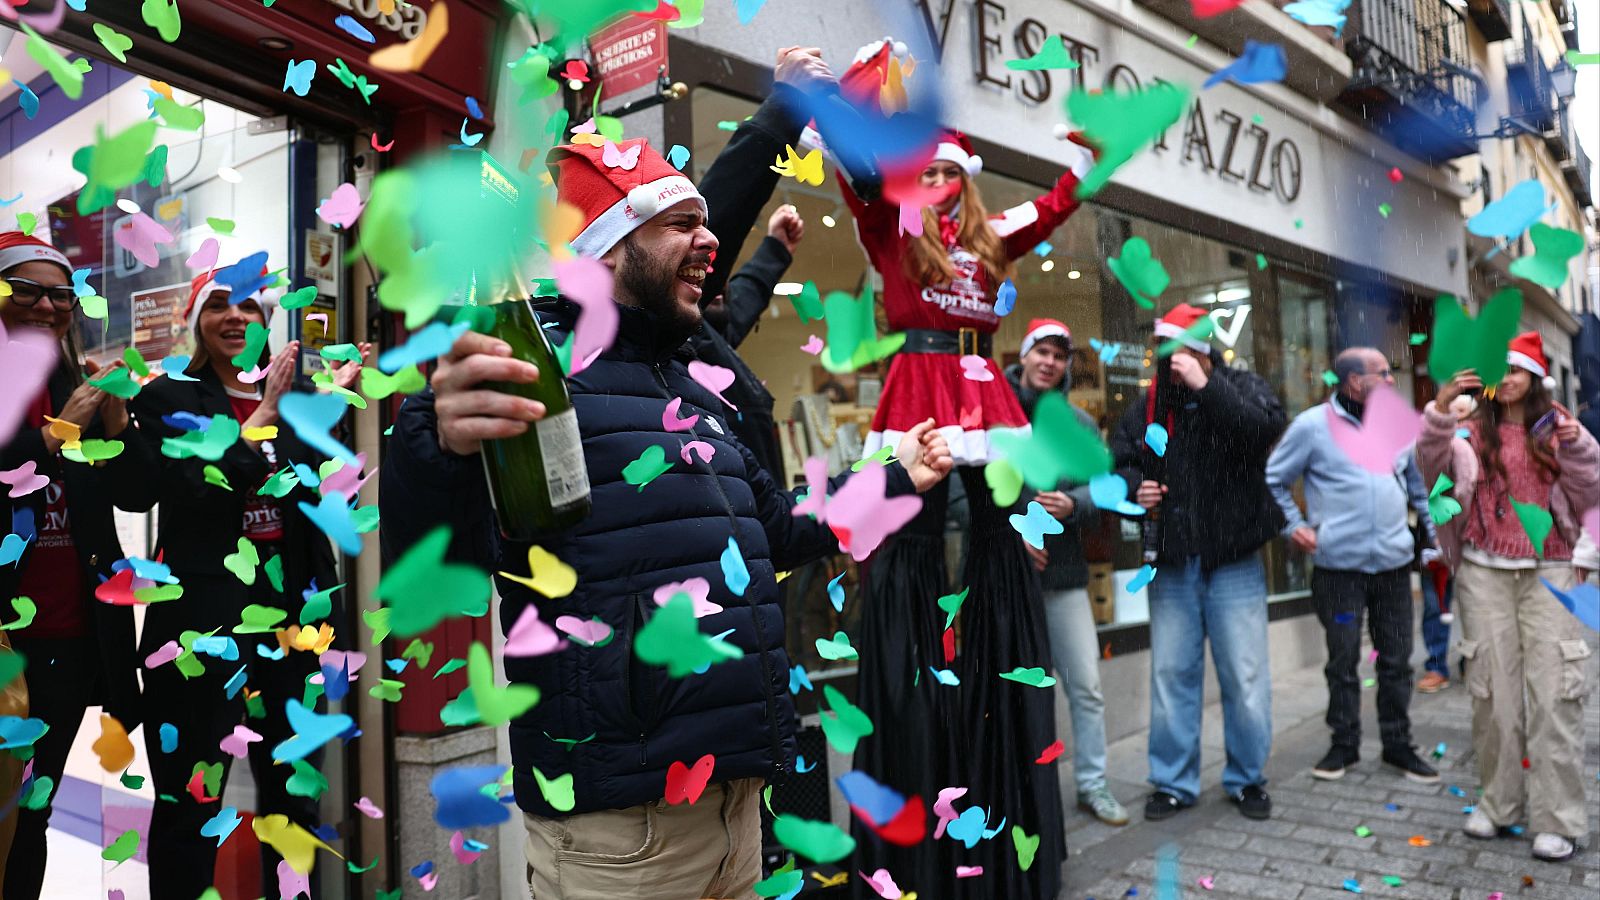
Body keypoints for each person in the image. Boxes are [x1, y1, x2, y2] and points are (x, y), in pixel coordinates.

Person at [378, 137, 954, 899]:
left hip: (737, 808)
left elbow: (777, 527)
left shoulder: (696, 391)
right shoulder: (529, 376)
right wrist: (439, 445)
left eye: (704, 222)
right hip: (626, 837)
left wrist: (891, 479)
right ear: (609, 249)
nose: (709, 238)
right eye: (679, 222)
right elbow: (431, 570)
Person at [832, 38, 1094, 897]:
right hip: (918, 387)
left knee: (996, 553)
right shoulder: (896, 229)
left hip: (986, 396)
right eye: (929, 174)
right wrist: (865, 88)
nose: (939, 185)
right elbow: (860, 176)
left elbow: (1055, 207)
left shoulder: (992, 239)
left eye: (950, 173)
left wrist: (1081, 159)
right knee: (909, 550)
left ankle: (993, 766)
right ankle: (922, 775)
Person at [128, 268, 368, 898]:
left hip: (293, 618)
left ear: (266, 319)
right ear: (195, 321)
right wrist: (257, 420)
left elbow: (313, 490)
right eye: (217, 307)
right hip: (201, 623)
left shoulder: (298, 393)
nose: (235, 318)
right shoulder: (167, 399)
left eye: (249, 308)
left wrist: (329, 410)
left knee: (295, 797)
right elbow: (188, 486)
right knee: (190, 804)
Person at [0, 232, 157, 900]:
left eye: (59, 293)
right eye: (24, 289)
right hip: (4, 640)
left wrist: (120, 429)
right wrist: (55, 433)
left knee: (31, 814)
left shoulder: (77, 385)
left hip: (66, 641)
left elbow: (135, 494)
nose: (44, 304)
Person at [1419, 331, 1599, 863]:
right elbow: (1428, 466)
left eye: (1518, 369)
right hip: (1483, 572)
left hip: (1552, 571)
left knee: (1554, 696)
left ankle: (1558, 818)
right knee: (1492, 695)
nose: (1509, 379)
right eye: (1501, 370)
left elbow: (1592, 492)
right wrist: (1440, 407)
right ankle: (1499, 805)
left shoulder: (1559, 429)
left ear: (1536, 376)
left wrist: (1580, 446)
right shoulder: (1469, 431)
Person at [1110, 303, 1287, 821]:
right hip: (1172, 560)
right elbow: (1117, 463)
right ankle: (1172, 782)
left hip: (1233, 560)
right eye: (1165, 349)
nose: (1171, 359)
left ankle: (1247, 779)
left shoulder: (1241, 386)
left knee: (1246, 677)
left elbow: (1259, 434)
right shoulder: (1147, 405)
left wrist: (1208, 388)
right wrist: (1130, 488)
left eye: (1182, 347)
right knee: (1172, 676)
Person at [1265, 346, 1440, 785]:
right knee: (1343, 660)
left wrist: (1434, 540)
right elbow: (1272, 480)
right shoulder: (1311, 427)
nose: (1390, 381)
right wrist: (1294, 526)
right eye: (1382, 374)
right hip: (1338, 571)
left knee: (1397, 660)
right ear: (1354, 381)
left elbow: (1418, 489)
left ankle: (1398, 745)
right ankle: (1343, 745)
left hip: (1394, 568)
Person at [1004, 318, 1129, 826]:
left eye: (1059, 355)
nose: (1049, 363)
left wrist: (1072, 505)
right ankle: (1020, 792)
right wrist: (1015, 530)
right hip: (1006, 582)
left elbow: (1106, 489)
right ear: (1025, 355)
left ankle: (1092, 785)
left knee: (1085, 684)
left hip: (1064, 580)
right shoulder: (997, 414)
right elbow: (964, 501)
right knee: (1016, 691)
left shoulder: (1078, 424)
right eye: (1042, 352)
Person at [687, 204, 804, 482]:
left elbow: (744, 299)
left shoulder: (713, 339)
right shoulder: (682, 342)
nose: (716, 287)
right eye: (701, 275)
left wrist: (776, 247)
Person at [1417, 392, 1477, 693]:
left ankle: (1471, 661)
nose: (1457, 419)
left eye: (1463, 413)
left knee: (1473, 607)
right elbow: (1423, 494)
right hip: (1435, 543)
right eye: (1452, 413)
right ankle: (1436, 664)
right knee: (1434, 606)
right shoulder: (1426, 448)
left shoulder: (1479, 446)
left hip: (1470, 543)